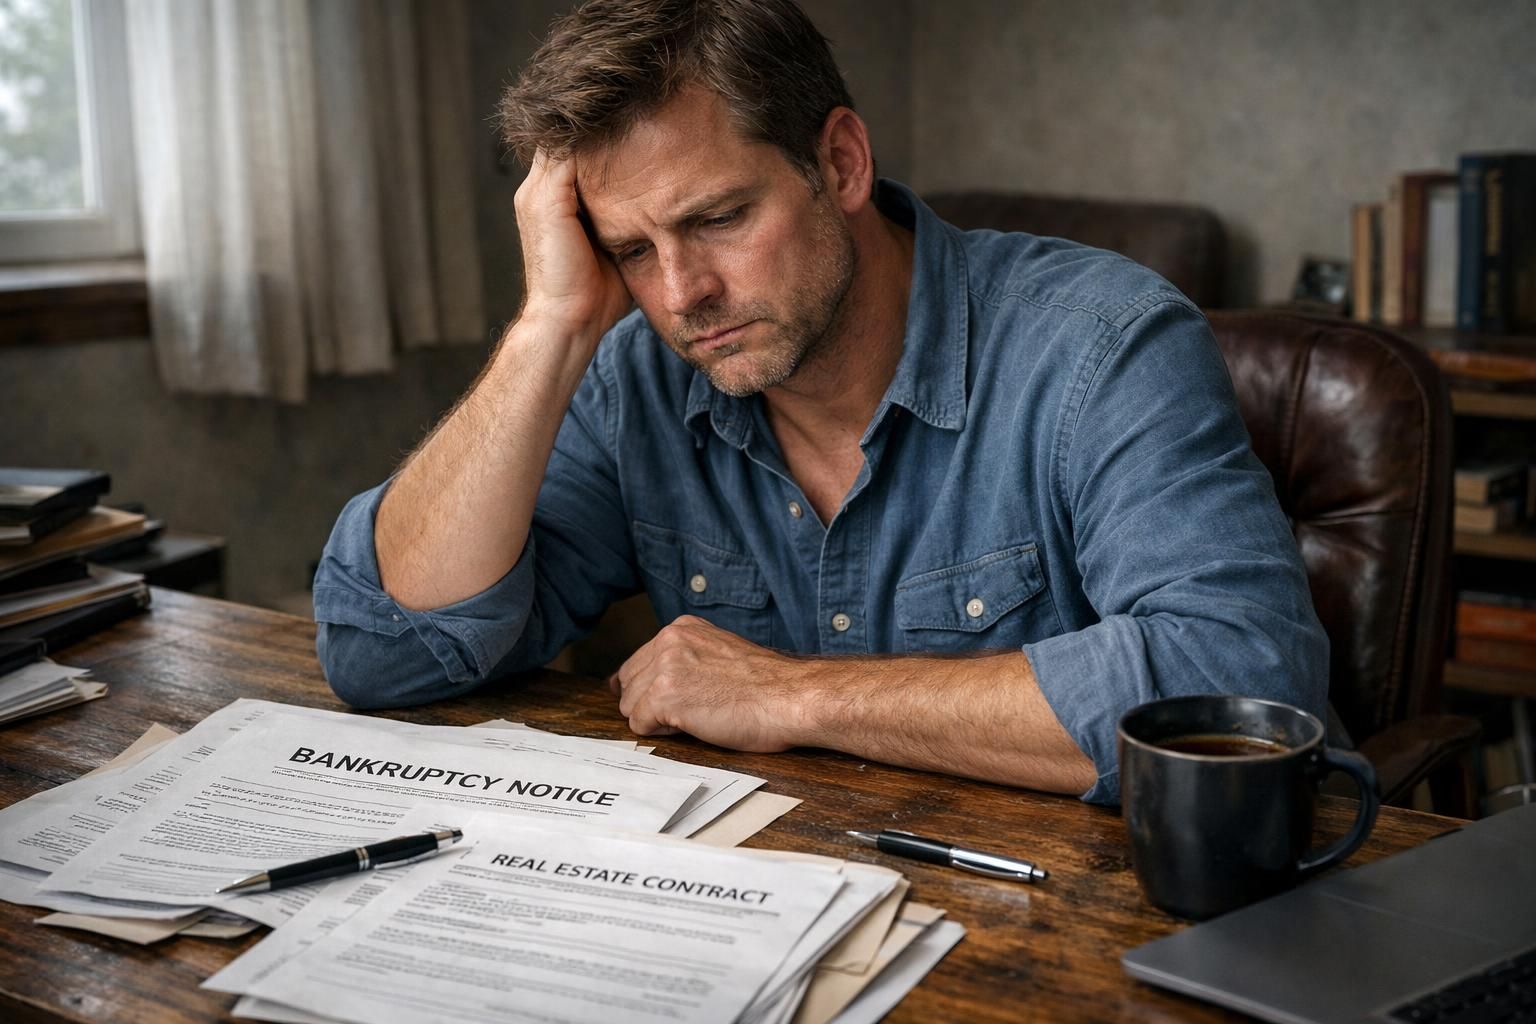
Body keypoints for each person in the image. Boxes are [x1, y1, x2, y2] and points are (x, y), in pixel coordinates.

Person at [314, 0, 1326, 805]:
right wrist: (552, 328)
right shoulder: (638, 377)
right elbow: (383, 651)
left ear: (840, 162)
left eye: (717, 218)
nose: (680, 295)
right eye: (631, 250)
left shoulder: (1102, 346)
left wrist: (793, 693)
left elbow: (1239, 680)